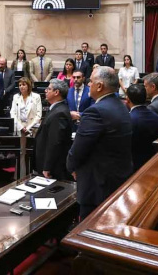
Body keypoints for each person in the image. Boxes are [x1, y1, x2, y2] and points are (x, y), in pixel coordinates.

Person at [67, 67, 132, 218]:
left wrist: (71, 167)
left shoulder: (95, 112)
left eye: (90, 81)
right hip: (118, 178)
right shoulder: (121, 106)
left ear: (100, 86)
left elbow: (78, 150)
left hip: (98, 184)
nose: (88, 84)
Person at [35, 79, 73, 180]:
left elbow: (55, 142)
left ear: (56, 92)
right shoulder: (57, 109)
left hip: (54, 167)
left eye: (49, 89)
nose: (45, 91)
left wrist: (47, 167)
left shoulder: (59, 113)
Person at [126, 83, 158, 171]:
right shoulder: (156, 116)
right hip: (152, 161)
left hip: (134, 164)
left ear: (127, 100)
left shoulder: (128, 119)